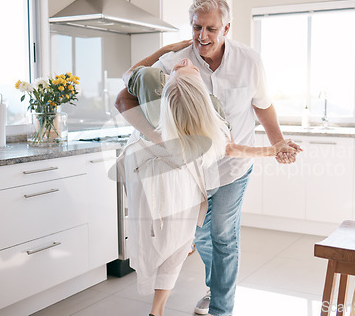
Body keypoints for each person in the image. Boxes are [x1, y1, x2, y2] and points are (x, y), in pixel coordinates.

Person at [115, 51, 299, 316]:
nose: (184, 61)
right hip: (164, 180)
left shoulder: (188, 99)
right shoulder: (175, 93)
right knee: (175, 244)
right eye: (184, 68)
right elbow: (231, 148)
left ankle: (160, 309)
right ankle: (160, 301)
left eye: (183, 67)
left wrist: (273, 149)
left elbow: (124, 89)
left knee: (176, 244)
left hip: (170, 180)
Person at [152, 0, 301, 316]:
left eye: (211, 28)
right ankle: (215, 285)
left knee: (223, 235)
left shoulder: (249, 61)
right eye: (196, 27)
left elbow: (262, 105)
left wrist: (278, 144)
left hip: (233, 166)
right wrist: (164, 50)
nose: (202, 36)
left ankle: (221, 308)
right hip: (193, 171)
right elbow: (133, 84)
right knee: (201, 235)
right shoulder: (177, 62)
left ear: (227, 28)